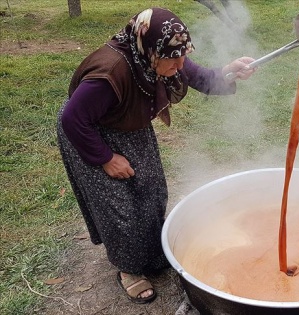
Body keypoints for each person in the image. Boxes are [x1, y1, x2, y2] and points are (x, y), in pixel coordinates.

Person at [56, 7, 255, 304]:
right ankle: (130, 270)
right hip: (91, 134)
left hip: (129, 126)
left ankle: (150, 251)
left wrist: (228, 71)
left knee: (151, 191)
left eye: (183, 55)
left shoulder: (163, 52)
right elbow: (72, 119)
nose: (180, 64)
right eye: (173, 58)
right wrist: (106, 158)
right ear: (150, 50)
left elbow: (199, 77)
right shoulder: (110, 72)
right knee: (118, 207)